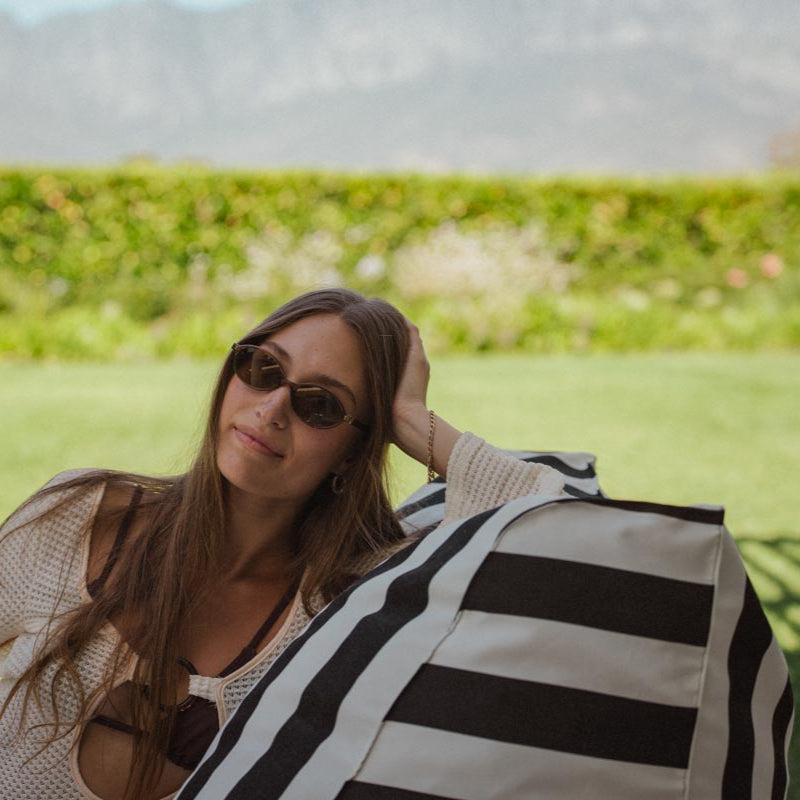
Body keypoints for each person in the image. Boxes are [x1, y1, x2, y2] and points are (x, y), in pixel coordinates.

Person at [0, 288, 566, 800]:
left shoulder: (353, 602)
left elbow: (559, 535)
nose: (270, 410)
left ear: (353, 452)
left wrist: (412, 420)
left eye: (321, 405)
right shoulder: (80, 514)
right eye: (263, 368)